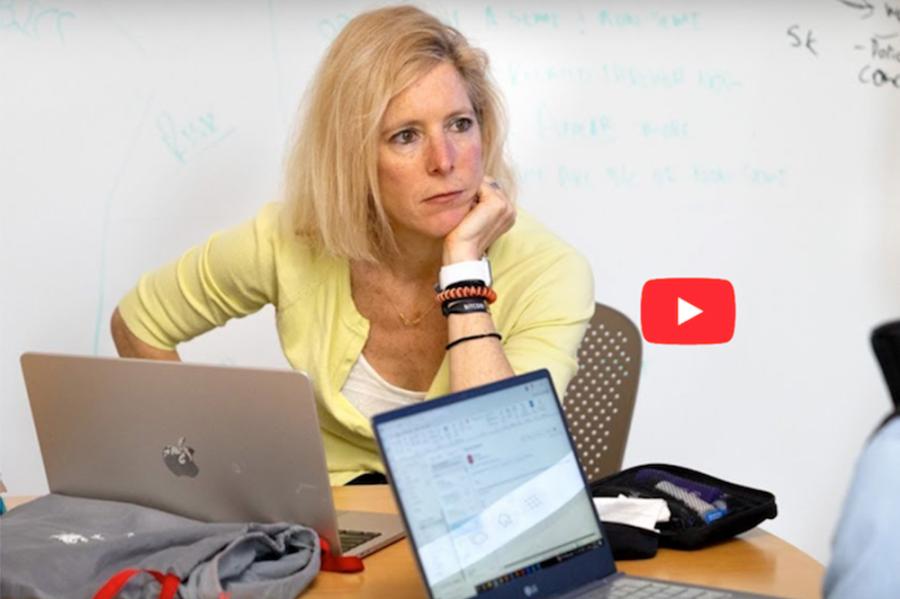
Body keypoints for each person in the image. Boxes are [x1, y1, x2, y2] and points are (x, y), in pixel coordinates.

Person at [110, 5, 594, 485]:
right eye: (406, 136)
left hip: (471, 532)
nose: (445, 160)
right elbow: (139, 323)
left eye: (459, 124)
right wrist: (213, 472)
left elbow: (500, 462)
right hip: (327, 535)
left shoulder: (551, 271)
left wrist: (464, 275)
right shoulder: (291, 238)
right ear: (353, 155)